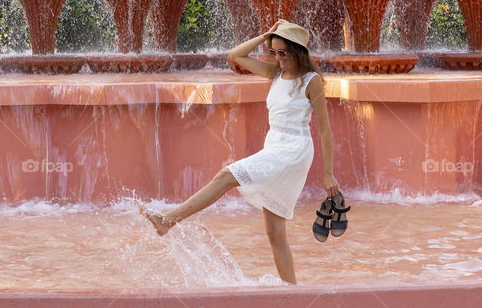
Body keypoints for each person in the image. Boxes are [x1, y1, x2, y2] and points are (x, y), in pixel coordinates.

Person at [140, 19, 340, 284]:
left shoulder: (311, 81)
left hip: (294, 150)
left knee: (226, 176)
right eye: (274, 52)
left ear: (298, 52)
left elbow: (325, 130)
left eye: (283, 52)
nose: (278, 58)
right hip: (275, 143)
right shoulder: (275, 73)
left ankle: (168, 220)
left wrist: (328, 174)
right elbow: (235, 56)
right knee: (274, 231)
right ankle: (292, 292)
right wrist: (266, 35)